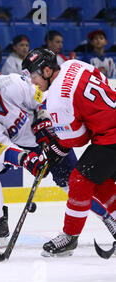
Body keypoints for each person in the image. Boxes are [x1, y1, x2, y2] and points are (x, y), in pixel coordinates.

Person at [0, 70, 115, 249]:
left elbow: (42, 97)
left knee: (73, 184)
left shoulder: (10, 84)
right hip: (19, 148)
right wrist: (26, 159)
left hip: (46, 134)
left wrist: (43, 120)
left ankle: (109, 217)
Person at [21, 48, 116, 257]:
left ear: (47, 71)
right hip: (109, 131)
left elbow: (78, 139)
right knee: (98, 179)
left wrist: (55, 149)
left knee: (79, 180)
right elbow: (102, 79)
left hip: (111, 137)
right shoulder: (74, 65)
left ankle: (69, 237)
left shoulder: (56, 100)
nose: (32, 82)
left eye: (34, 76)